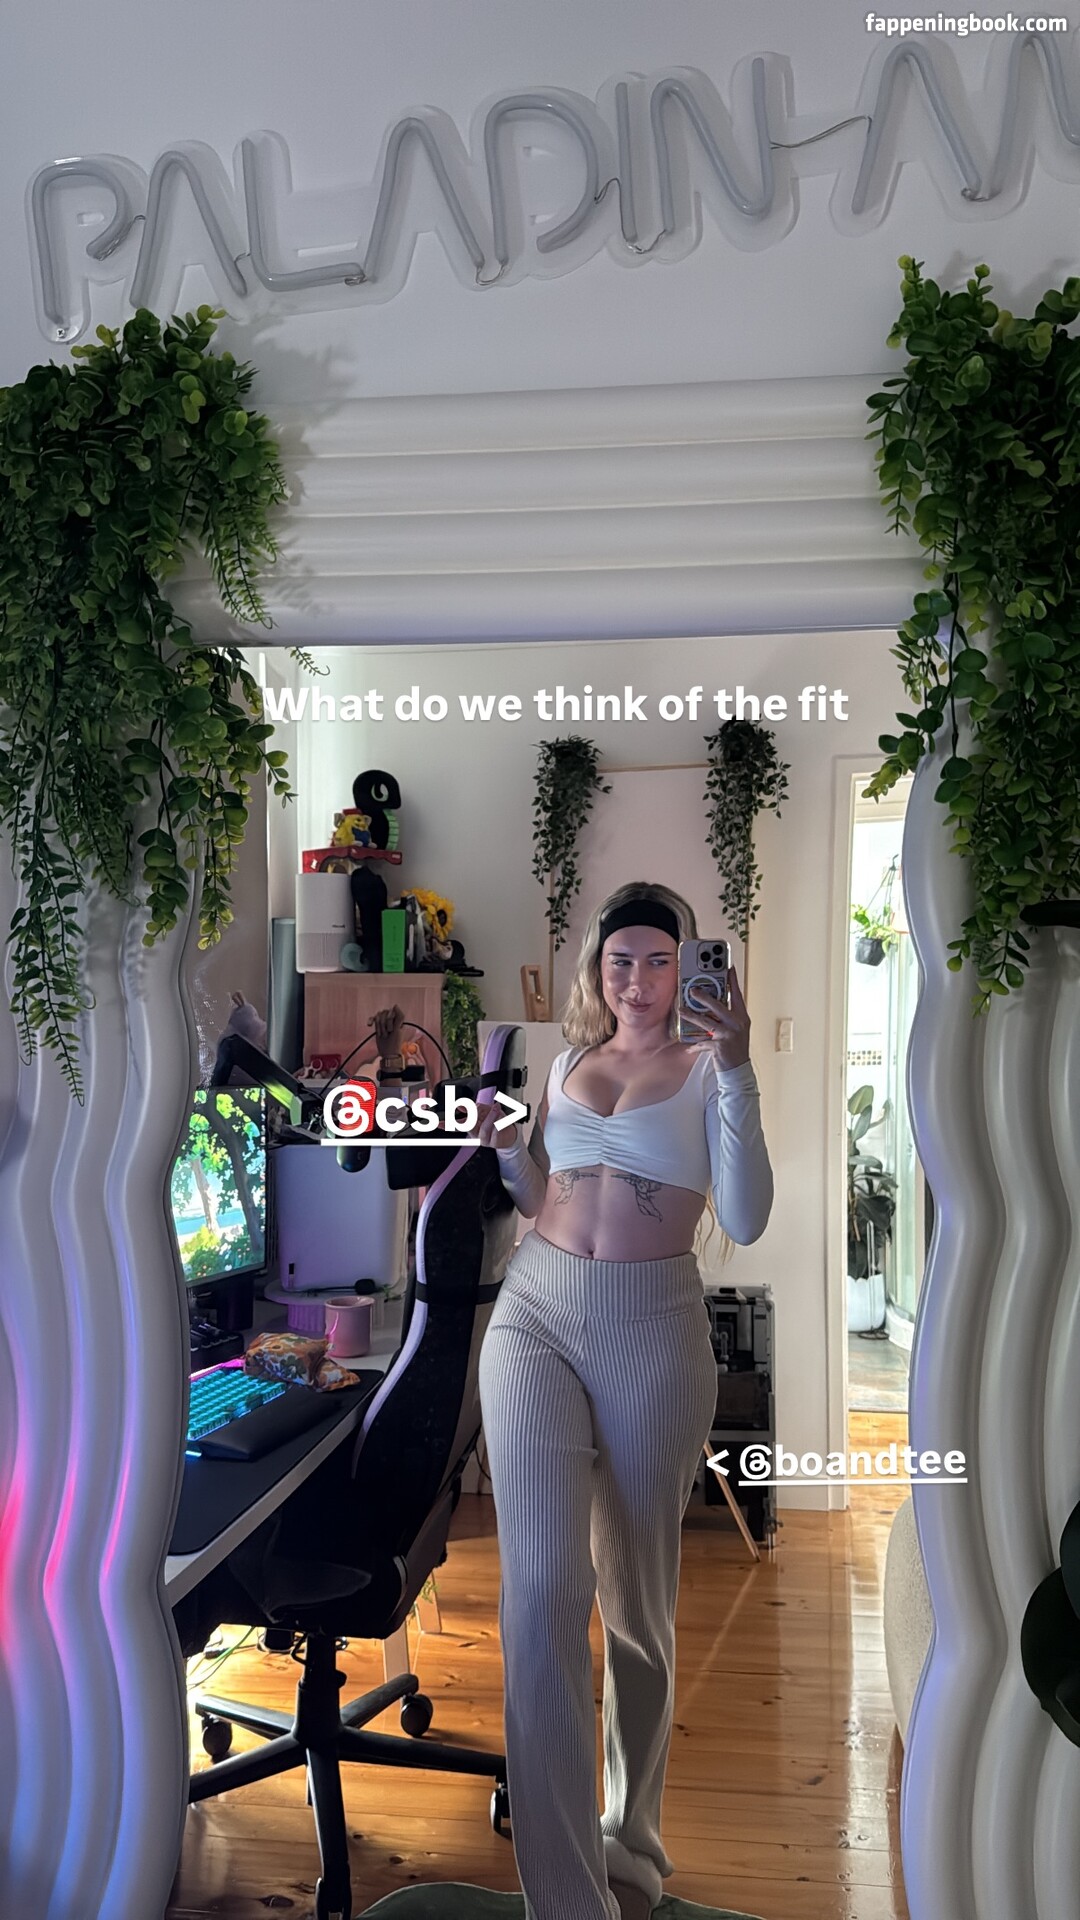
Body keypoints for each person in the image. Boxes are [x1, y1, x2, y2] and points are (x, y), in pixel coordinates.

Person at [475, 881, 773, 1920]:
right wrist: (505, 1146)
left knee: (636, 1604)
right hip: (536, 1312)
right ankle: (564, 1895)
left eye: (658, 961)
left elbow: (747, 1214)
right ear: (595, 971)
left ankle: (630, 1838)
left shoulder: (706, 1069)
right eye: (620, 962)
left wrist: (739, 1063)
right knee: (540, 1596)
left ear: (688, 968)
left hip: (652, 1328)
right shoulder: (564, 1064)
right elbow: (540, 1195)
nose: (638, 982)